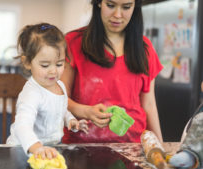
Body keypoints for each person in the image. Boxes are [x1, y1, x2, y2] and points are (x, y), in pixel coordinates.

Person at [61, 0, 163, 144]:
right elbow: (58, 99)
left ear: (135, 7)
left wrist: (160, 145)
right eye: (110, 5)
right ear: (98, 3)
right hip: (81, 145)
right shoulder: (73, 42)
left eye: (126, 7)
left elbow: (149, 105)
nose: (117, 15)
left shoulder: (145, 48)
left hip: (133, 146)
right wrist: (86, 112)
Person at [7, 23, 88, 159]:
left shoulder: (60, 85)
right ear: (27, 62)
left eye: (59, 64)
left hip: (49, 149)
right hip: (23, 151)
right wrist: (37, 147)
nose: (53, 71)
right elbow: (22, 126)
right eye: (45, 65)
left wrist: (71, 120)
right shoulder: (31, 94)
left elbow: (60, 108)